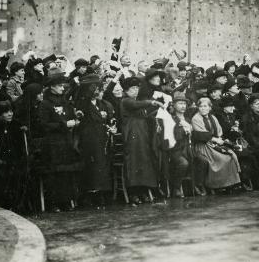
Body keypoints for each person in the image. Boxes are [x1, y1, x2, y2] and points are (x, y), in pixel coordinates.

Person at [38, 68, 81, 212]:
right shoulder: (45, 104)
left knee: (66, 174)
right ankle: (54, 203)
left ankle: (66, 201)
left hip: (66, 142)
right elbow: (44, 125)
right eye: (60, 86)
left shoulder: (65, 102)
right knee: (55, 174)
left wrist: (75, 119)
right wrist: (64, 125)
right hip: (53, 143)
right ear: (52, 87)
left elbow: (69, 116)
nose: (63, 88)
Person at [74, 74, 116, 207]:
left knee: (102, 166)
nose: (98, 91)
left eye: (99, 88)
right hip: (89, 139)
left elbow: (109, 119)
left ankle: (102, 193)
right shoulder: (83, 103)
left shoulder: (102, 104)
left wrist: (112, 127)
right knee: (92, 167)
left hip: (101, 138)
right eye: (95, 89)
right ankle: (92, 195)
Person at [120, 76, 163, 204]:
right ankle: (133, 193)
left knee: (144, 163)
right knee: (134, 163)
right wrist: (153, 102)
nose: (135, 91)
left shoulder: (137, 102)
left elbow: (145, 115)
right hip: (132, 136)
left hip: (142, 136)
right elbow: (136, 105)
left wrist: (158, 112)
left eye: (137, 88)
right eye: (132, 88)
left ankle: (143, 190)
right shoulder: (126, 101)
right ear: (126, 90)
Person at [191, 97, 241, 192]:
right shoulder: (196, 119)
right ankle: (218, 185)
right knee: (222, 159)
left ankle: (230, 183)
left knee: (230, 156)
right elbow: (201, 135)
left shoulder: (212, 117)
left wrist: (219, 139)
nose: (203, 108)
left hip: (213, 144)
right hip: (203, 145)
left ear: (210, 107)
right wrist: (214, 139)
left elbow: (218, 131)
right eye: (200, 106)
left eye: (205, 106)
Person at [0, 101, 28, 211]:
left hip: (14, 160)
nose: (10, 114)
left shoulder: (16, 124)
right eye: (6, 112)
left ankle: (15, 204)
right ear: (0, 114)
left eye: (11, 111)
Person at [169, 92, 193, 198]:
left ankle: (197, 186)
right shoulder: (172, 119)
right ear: (174, 105)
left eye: (184, 103)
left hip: (188, 148)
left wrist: (190, 129)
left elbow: (194, 136)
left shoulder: (187, 119)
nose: (183, 106)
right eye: (180, 103)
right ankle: (176, 188)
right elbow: (175, 137)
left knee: (201, 160)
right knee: (183, 163)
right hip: (176, 150)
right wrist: (184, 130)